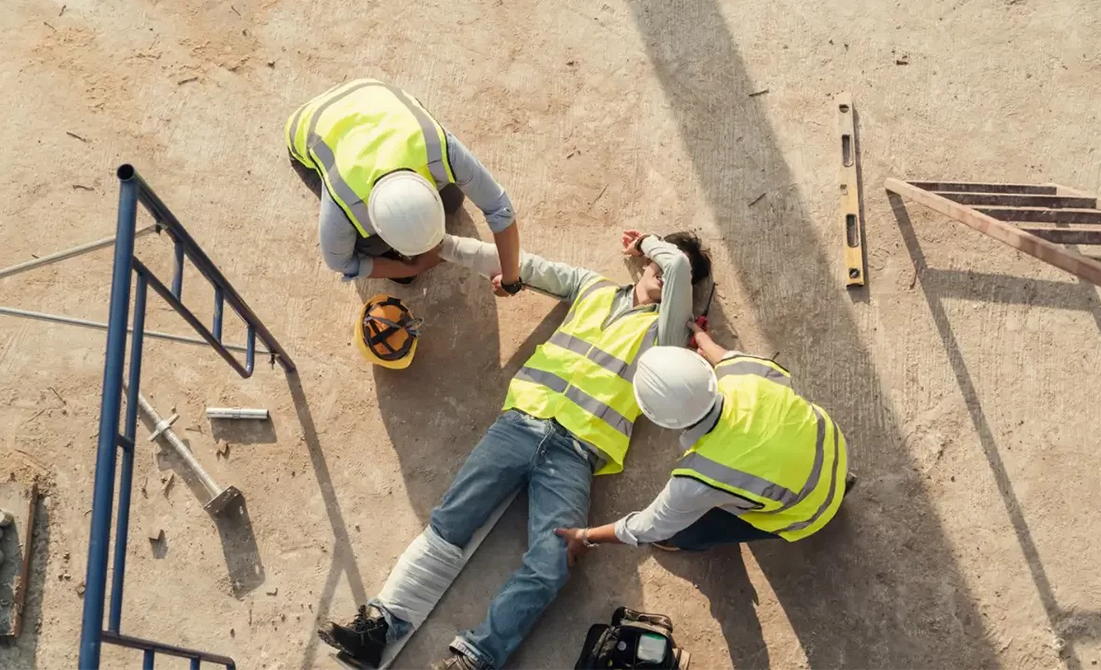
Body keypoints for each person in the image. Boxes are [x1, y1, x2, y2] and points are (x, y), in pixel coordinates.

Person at [317, 230, 713, 669]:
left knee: (552, 564)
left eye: (670, 271)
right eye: (655, 265)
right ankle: (379, 629)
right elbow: (519, 264)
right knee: (449, 523)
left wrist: (651, 243)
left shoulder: (669, 333)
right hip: (520, 422)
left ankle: (476, 657)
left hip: (576, 454)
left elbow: (677, 267)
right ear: (643, 266)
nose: (661, 273)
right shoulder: (592, 287)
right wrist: (438, 241)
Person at [556, 324, 854, 558]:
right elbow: (723, 357)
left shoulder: (700, 475)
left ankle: (689, 541)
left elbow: (647, 526)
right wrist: (702, 337)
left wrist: (585, 536)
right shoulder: (746, 373)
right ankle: (838, 483)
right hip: (834, 452)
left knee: (678, 532)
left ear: (659, 419)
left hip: (807, 511)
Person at [286, 78, 523, 294]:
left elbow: (499, 209)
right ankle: (386, 247)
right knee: (371, 244)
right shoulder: (345, 201)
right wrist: (411, 269)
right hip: (307, 127)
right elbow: (341, 262)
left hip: (367, 91)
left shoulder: (439, 149)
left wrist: (511, 280)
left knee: (453, 200)